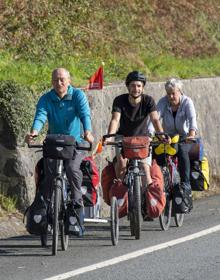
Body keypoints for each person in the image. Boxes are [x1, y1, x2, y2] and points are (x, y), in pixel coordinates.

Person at [25, 68, 94, 235]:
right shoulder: (46, 98)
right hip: (53, 144)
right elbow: (40, 116)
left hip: (74, 144)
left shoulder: (77, 95)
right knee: (48, 176)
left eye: (62, 79)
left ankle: (77, 203)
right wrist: (34, 131)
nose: (59, 83)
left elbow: (85, 114)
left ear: (69, 81)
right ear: (51, 82)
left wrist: (87, 132)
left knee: (71, 169)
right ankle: (45, 209)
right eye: (56, 80)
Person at [106, 70, 166, 189]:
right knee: (122, 165)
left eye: (139, 86)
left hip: (143, 139)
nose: (136, 88)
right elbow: (115, 120)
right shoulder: (119, 100)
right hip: (123, 138)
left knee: (145, 170)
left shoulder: (148, 100)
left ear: (143, 88)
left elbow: (155, 119)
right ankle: (121, 195)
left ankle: (148, 202)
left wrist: (161, 135)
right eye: (132, 85)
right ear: (128, 86)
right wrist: (109, 136)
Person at [156, 78, 198, 212]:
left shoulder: (187, 102)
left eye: (173, 93)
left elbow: (192, 120)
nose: (171, 96)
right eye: (168, 93)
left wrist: (191, 134)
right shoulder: (163, 102)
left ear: (180, 91)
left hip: (184, 137)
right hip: (167, 137)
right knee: (158, 153)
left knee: (182, 150)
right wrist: (152, 133)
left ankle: (185, 185)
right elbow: (155, 119)